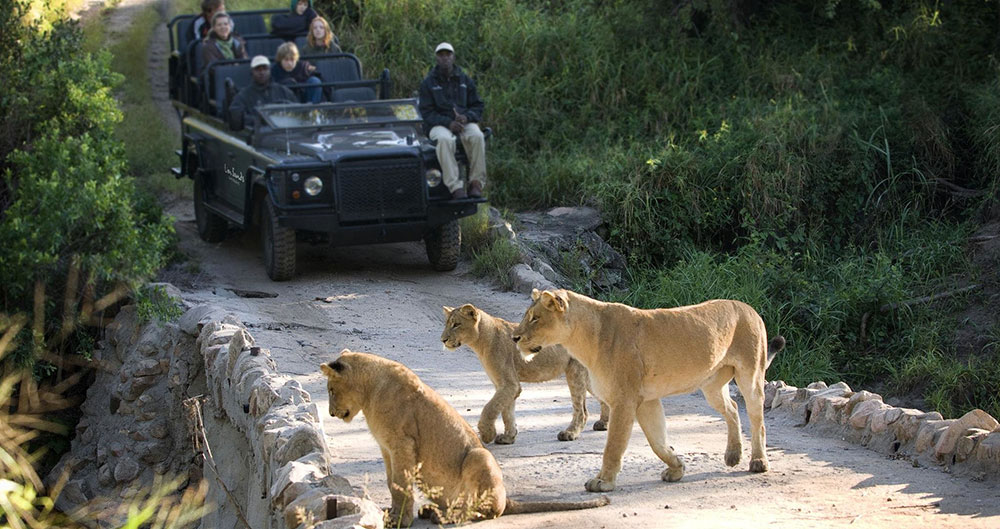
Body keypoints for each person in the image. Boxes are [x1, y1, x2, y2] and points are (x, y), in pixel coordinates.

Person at [418, 42, 486, 199]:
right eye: (441, 55)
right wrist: (448, 123)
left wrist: (467, 117)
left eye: (448, 54)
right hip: (438, 124)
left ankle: (476, 183)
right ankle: (455, 187)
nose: (445, 58)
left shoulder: (464, 80)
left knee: (477, 136)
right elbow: (427, 113)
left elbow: (478, 105)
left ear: (453, 57)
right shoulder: (428, 83)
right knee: (444, 140)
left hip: (463, 122)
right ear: (436, 58)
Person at [228, 55, 298, 130]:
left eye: (265, 69)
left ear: (270, 70)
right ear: (252, 72)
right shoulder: (243, 96)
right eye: (258, 69)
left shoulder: (283, 91)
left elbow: (297, 112)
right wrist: (262, 121)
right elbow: (237, 118)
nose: (262, 72)